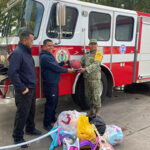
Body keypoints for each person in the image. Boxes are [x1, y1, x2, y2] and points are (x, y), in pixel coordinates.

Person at [8, 30, 42, 148]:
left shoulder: (26, 52)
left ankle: (30, 128)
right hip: (24, 90)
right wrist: (22, 88)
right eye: (31, 40)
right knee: (22, 113)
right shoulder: (18, 53)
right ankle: (17, 137)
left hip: (31, 88)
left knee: (31, 110)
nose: (33, 42)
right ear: (24, 40)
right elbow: (13, 73)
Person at [40, 39, 74, 131]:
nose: (51, 47)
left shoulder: (49, 55)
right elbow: (55, 68)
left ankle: (52, 118)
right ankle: (46, 123)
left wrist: (63, 63)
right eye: (48, 45)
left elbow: (55, 65)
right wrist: (67, 70)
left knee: (54, 102)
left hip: (54, 83)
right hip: (50, 84)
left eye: (52, 45)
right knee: (50, 103)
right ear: (44, 46)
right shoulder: (45, 57)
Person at [78, 39, 103, 118]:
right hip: (87, 78)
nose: (93, 45)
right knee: (88, 95)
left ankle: (98, 111)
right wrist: (72, 64)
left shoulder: (98, 53)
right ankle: (91, 110)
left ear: (96, 45)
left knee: (96, 95)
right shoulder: (86, 54)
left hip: (95, 78)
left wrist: (85, 69)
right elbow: (81, 62)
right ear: (89, 45)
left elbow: (96, 64)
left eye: (94, 44)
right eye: (91, 44)